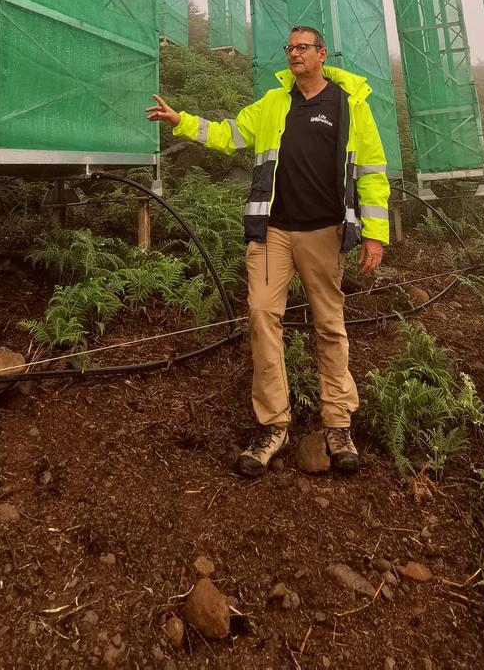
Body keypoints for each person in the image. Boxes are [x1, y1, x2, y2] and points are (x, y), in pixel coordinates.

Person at [146, 26, 390, 477]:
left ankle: (337, 424)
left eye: (303, 48)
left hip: (324, 233)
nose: (295, 53)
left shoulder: (349, 105)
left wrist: (374, 233)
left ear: (322, 54)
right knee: (261, 314)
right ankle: (272, 425)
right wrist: (182, 121)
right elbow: (230, 134)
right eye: (290, 48)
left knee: (330, 324)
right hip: (273, 231)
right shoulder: (275, 103)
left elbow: (373, 171)